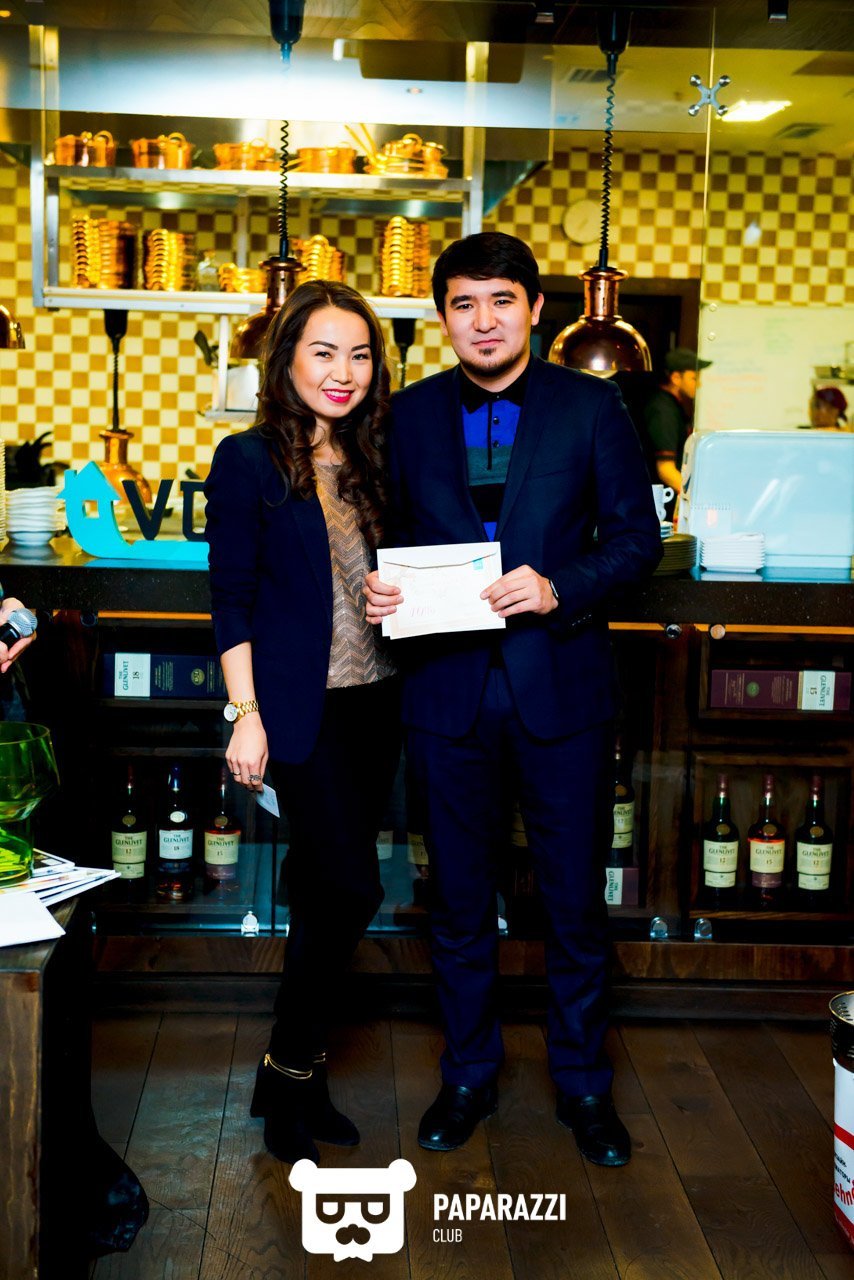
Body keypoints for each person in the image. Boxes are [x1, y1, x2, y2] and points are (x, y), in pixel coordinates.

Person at [365, 232, 661, 1167]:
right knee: (458, 903)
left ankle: (584, 1086)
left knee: (574, 903)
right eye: (464, 304)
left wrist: (558, 586)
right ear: (442, 317)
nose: (483, 321)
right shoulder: (407, 415)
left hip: (560, 686)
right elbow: (381, 534)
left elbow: (637, 542)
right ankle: (467, 1076)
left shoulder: (592, 405)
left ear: (535, 309)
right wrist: (377, 588)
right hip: (445, 693)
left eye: (501, 301)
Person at [205, 280, 401, 1166]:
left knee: (326, 892)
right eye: (323, 352)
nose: (342, 371)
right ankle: (289, 1068)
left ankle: (298, 1082)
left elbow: (387, 579)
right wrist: (245, 715)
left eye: (359, 354)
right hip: (297, 708)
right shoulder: (247, 460)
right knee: (353, 887)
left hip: (378, 701)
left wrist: (395, 594)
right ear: (286, 360)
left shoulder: (373, 459)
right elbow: (231, 599)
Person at [642, 347, 711, 498]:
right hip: (661, 500)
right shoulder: (663, 409)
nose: (699, 384)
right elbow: (665, 469)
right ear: (676, 378)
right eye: (694, 378)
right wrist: (699, 499)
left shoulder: (672, 405)